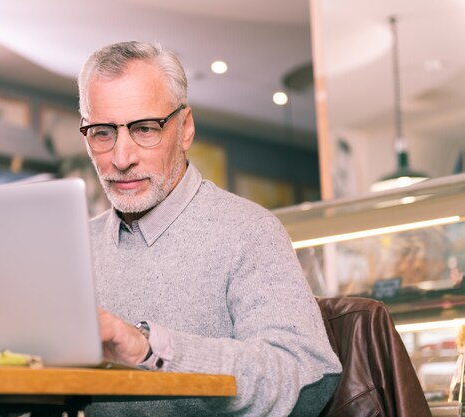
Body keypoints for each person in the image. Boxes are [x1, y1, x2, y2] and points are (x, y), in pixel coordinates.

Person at [77, 41, 342, 417]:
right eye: (102, 133)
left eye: (145, 129)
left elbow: (305, 377)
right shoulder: (75, 246)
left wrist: (152, 350)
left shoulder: (249, 231)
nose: (121, 158)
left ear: (184, 128)